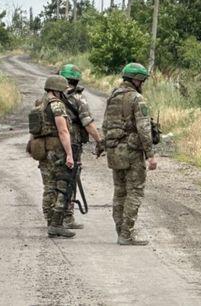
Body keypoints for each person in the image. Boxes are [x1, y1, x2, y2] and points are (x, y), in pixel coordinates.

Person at [102, 62, 158, 246]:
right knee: (135, 192)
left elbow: (105, 125)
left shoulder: (112, 96)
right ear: (136, 80)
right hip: (132, 153)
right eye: (142, 80)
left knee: (119, 192)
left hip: (114, 151)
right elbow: (144, 128)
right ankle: (126, 234)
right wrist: (150, 155)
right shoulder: (136, 99)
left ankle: (120, 231)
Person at [58, 63, 104, 230]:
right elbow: (88, 123)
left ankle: (52, 215)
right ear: (76, 81)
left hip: (52, 144)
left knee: (54, 178)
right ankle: (67, 217)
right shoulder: (77, 98)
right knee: (70, 178)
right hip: (73, 143)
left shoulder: (50, 96)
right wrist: (99, 141)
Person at [31, 75, 76, 238]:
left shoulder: (39, 104)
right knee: (61, 187)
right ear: (57, 90)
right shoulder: (57, 105)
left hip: (43, 150)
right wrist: (69, 154)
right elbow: (63, 131)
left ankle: (50, 222)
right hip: (56, 151)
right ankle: (56, 224)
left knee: (48, 187)